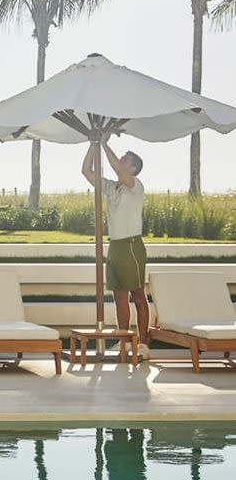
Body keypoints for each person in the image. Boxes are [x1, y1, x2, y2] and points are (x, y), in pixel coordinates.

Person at [82, 136, 150, 358]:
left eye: (125, 159)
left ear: (132, 169)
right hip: (115, 247)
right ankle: (125, 341)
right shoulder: (113, 188)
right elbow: (86, 171)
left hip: (131, 246)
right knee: (120, 297)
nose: (120, 160)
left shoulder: (134, 185)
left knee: (138, 296)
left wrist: (104, 143)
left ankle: (143, 344)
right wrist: (93, 144)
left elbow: (116, 168)